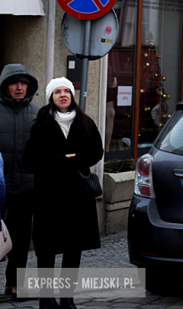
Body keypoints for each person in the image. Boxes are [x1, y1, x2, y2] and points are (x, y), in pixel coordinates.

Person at [24, 78, 104, 309]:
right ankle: (46, 298)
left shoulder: (85, 122)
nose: (62, 95)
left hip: (77, 196)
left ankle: (67, 298)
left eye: (66, 91)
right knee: (46, 249)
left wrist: (77, 158)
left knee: (73, 248)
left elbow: (96, 151)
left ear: (72, 95)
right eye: (57, 91)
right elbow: (30, 159)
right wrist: (59, 160)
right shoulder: (41, 124)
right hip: (49, 196)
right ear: (51, 97)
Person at [0, 64, 38, 297]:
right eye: (14, 83)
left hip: (25, 187)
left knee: (21, 239)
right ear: (5, 86)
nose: (19, 87)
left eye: (23, 83)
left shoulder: (38, 114)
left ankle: (14, 283)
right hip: (0, 185)